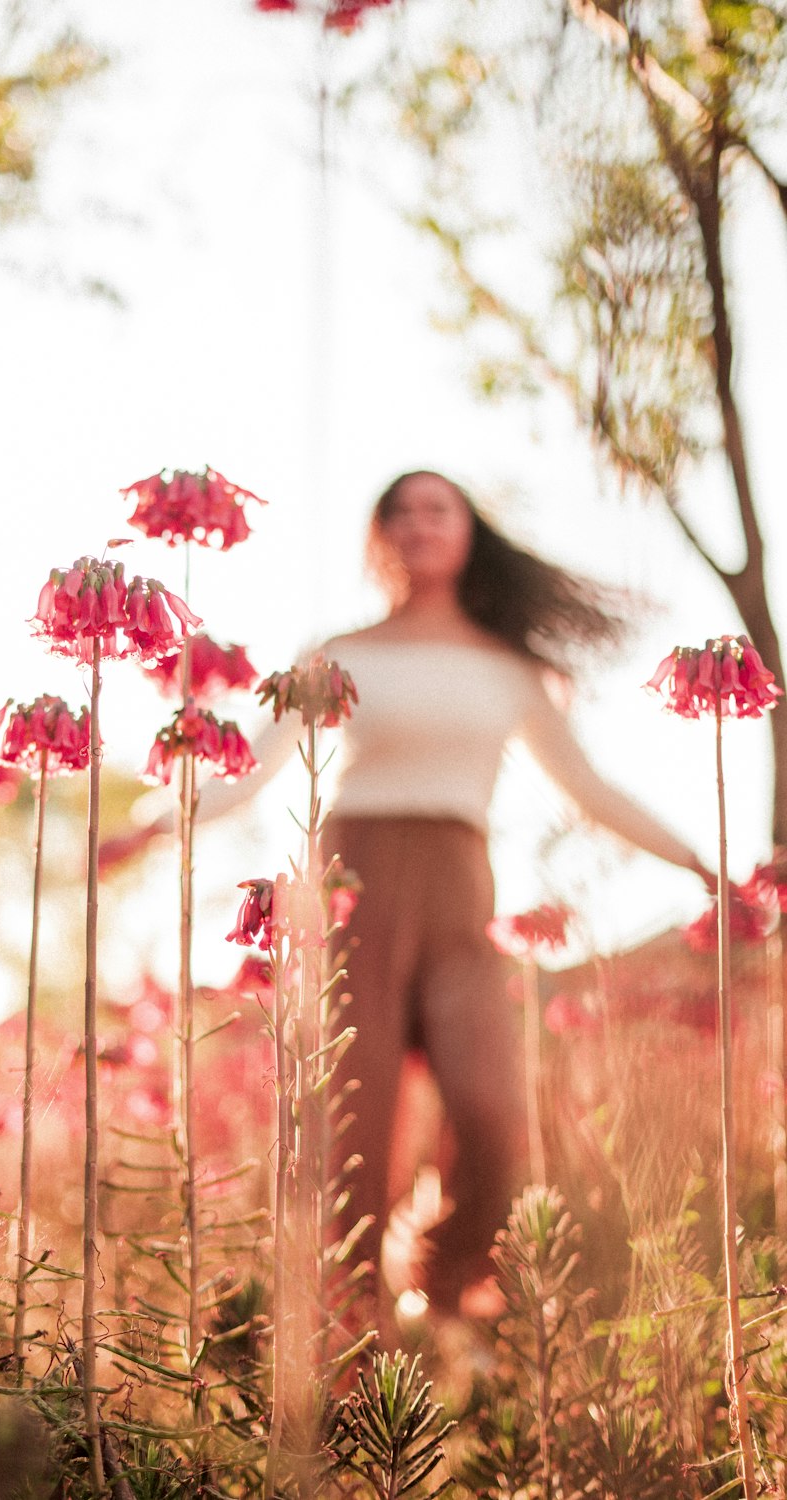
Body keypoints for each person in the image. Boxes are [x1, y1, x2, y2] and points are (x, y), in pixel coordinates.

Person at [108, 469, 712, 1319]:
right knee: (354, 1131)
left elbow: (591, 788)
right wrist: (150, 823)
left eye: (438, 509)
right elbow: (250, 772)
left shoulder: (511, 670)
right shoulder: (339, 653)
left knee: (495, 1114)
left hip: (463, 895)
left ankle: (440, 1284)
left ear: (469, 532)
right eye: (400, 511)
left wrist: (699, 861)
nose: (419, 524)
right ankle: (346, 1326)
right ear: (380, 536)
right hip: (356, 887)